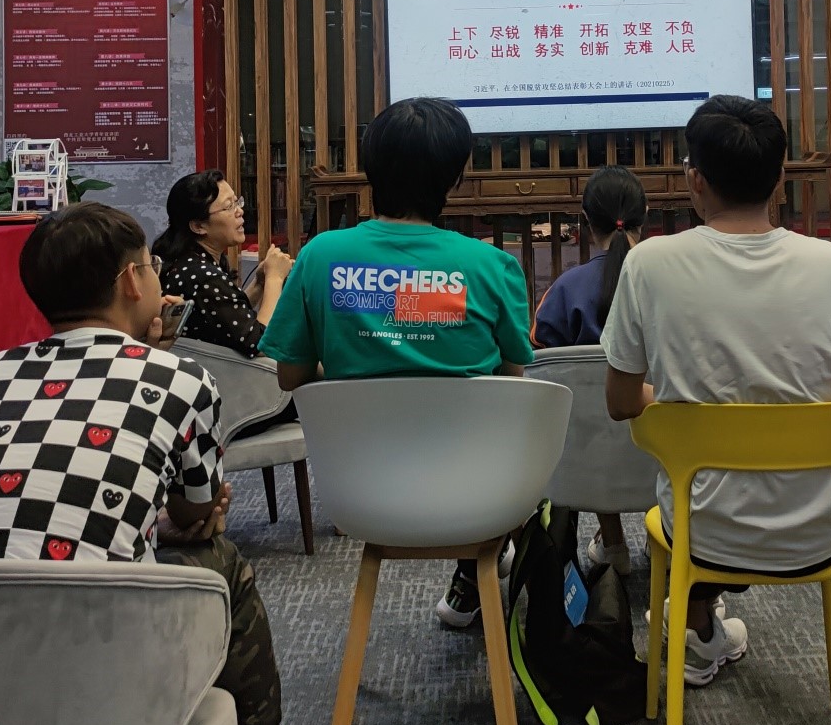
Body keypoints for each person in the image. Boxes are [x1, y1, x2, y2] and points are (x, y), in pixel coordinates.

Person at [0, 203, 297, 725]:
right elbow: (200, 515)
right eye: (151, 267)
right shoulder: (181, 379)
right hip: (96, 664)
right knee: (224, 566)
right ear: (131, 281)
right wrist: (174, 522)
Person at [601, 95, 831, 686]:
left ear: (695, 180)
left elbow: (620, 403)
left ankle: (696, 627)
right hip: (824, 530)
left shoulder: (648, 264)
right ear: (780, 178)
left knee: (696, 493)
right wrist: (796, 412)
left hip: (704, 531)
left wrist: (692, 411)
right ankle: (701, 627)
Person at [260, 97, 534, 629]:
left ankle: (471, 577)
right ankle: (477, 570)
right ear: (454, 178)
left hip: (363, 495)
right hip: (476, 492)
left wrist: (362, 367)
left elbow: (289, 376)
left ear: (370, 170)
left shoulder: (319, 257)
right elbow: (512, 380)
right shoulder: (493, 266)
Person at [532, 163, 648, 576]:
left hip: (588, 464)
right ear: (644, 216)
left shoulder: (565, 289)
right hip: (665, 461)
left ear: (585, 220)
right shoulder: (673, 284)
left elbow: (540, 363)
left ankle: (613, 545)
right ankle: (664, 540)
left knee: (590, 415)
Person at [152, 170, 293, 359]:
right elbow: (261, 343)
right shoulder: (203, 277)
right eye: (228, 207)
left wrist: (260, 283)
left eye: (237, 202)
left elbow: (230, 317)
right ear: (198, 226)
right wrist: (275, 278)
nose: (239, 211)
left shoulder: (188, 262)